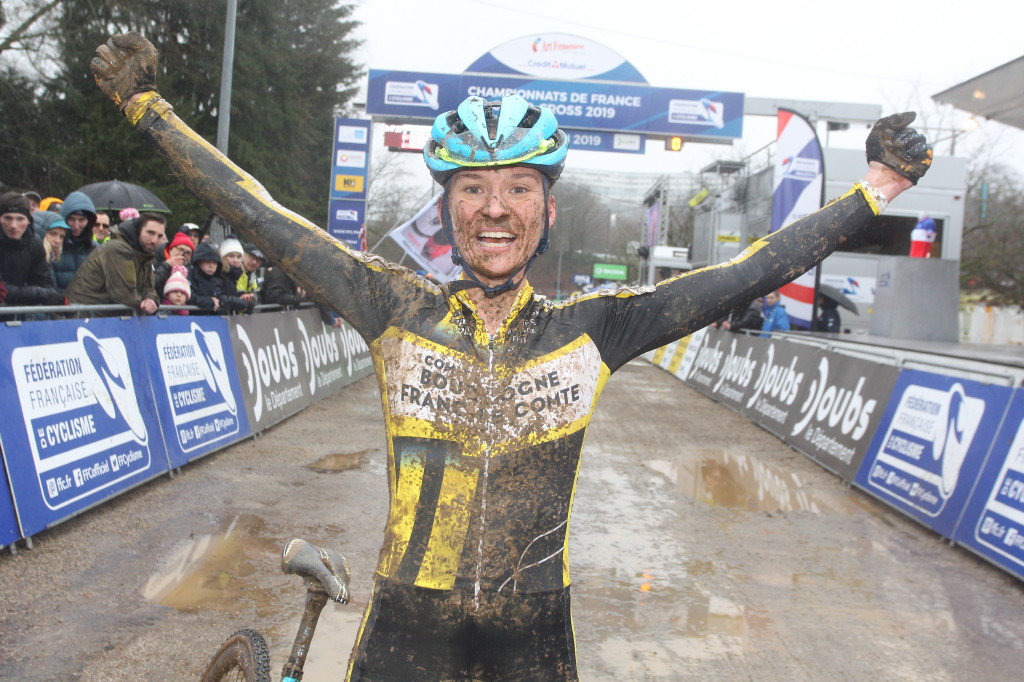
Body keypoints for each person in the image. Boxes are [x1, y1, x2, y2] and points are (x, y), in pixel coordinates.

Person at [90, 32, 932, 681]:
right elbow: (259, 211)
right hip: (406, 624)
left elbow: (749, 269)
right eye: (472, 188)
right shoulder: (391, 304)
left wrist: (877, 193)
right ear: (447, 207)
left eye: (519, 187)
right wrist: (148, 109)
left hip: (534, 631)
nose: (496, 209)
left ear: (548, 210)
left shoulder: (595, 329)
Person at [65, 212, 165, 315]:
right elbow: (125, 294)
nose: (154, 240)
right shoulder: (118, 249)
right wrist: (143, 306)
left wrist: (151, 300)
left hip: (105, 316)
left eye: (159, 236)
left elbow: (148, 288)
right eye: (150, 233)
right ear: (138, 230)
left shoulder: (144, 254)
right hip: (85, 315)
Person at [0, 192, 66, 307]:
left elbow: (44, 282)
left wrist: (54, 299)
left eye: (20, 219)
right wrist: (43, 295)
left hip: (19, 313)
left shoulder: (35, 244)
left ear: (28, 220)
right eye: (8, 218)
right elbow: (3, 290)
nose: (13, 225)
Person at [188, 241, 251, 315]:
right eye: (207, 261)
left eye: (214, 262)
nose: (211, 266)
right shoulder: (189, 274)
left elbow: (220, 298)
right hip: (190, 320)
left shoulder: (215, 279)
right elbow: (187, 296)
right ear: (198, 261)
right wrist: (209, 302)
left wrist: (242, 300)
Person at [55, 190, 98, 292]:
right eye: (72, 219)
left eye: (81, 220)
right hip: (58, 304)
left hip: (88, 304)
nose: (76, 225)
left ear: (89, 222)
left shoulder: (96, 249)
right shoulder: (54, 245)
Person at [153, 230, 194, 295]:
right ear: (171, 249)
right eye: (180, 249)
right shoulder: (154, 260)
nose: (183, 254)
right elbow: (151, 284)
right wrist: (167, 265)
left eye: (188, 253)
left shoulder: (190, 269)